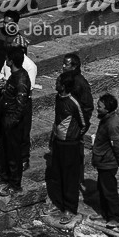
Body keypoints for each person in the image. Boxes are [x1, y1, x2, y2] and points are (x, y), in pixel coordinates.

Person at [49, 54, 92, 221]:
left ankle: (69, 208)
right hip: (59, 137)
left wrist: (75, 134)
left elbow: (84, 118)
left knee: (70, 175)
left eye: (66, 64)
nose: (63, 67)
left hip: (71, 140)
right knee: (58, 172)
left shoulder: (79, 87)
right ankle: (58, 202)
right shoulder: (59, 97)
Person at [0, 44, 32, 192]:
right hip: (7, 118)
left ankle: (15, 184)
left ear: (11, 61)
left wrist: (12, 121)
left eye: (7, 58)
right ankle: (5, 176)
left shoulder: (21, 79)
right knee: (6, 150)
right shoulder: (14, 76)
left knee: (14, 154)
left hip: (13, 122)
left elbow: (21, 104)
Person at [91, 92, 119, 224]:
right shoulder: (106, 119)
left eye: (100, 107)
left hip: (108, 162)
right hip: (103, 160)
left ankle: (114, 218)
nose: (97, 108)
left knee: (109, 191)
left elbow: (118, 145)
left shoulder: (112, 124)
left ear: (107, 109)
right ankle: (105, 214)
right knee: (102, 189)